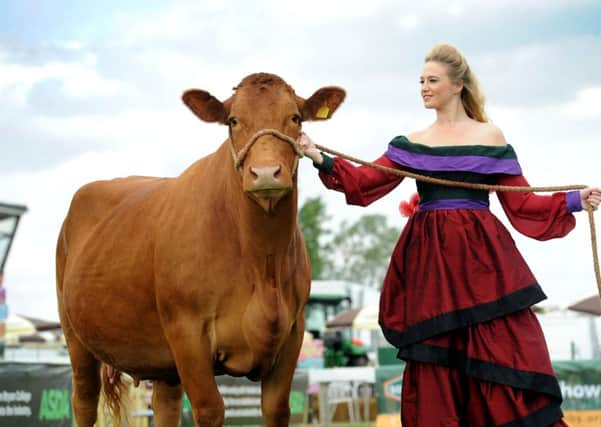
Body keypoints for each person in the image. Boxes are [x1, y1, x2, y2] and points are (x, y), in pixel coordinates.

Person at [299, 43, 601, 426]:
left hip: (483, 267)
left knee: (503, 348)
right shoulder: (412, 142)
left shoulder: (489, 136)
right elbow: (365, 183)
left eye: (432, 80)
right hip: (431, 269)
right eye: (421, 81)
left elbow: (522, 204)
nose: (424, 87)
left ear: (457, 85)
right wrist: (316, 155)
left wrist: (576, 200)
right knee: (435, 356)